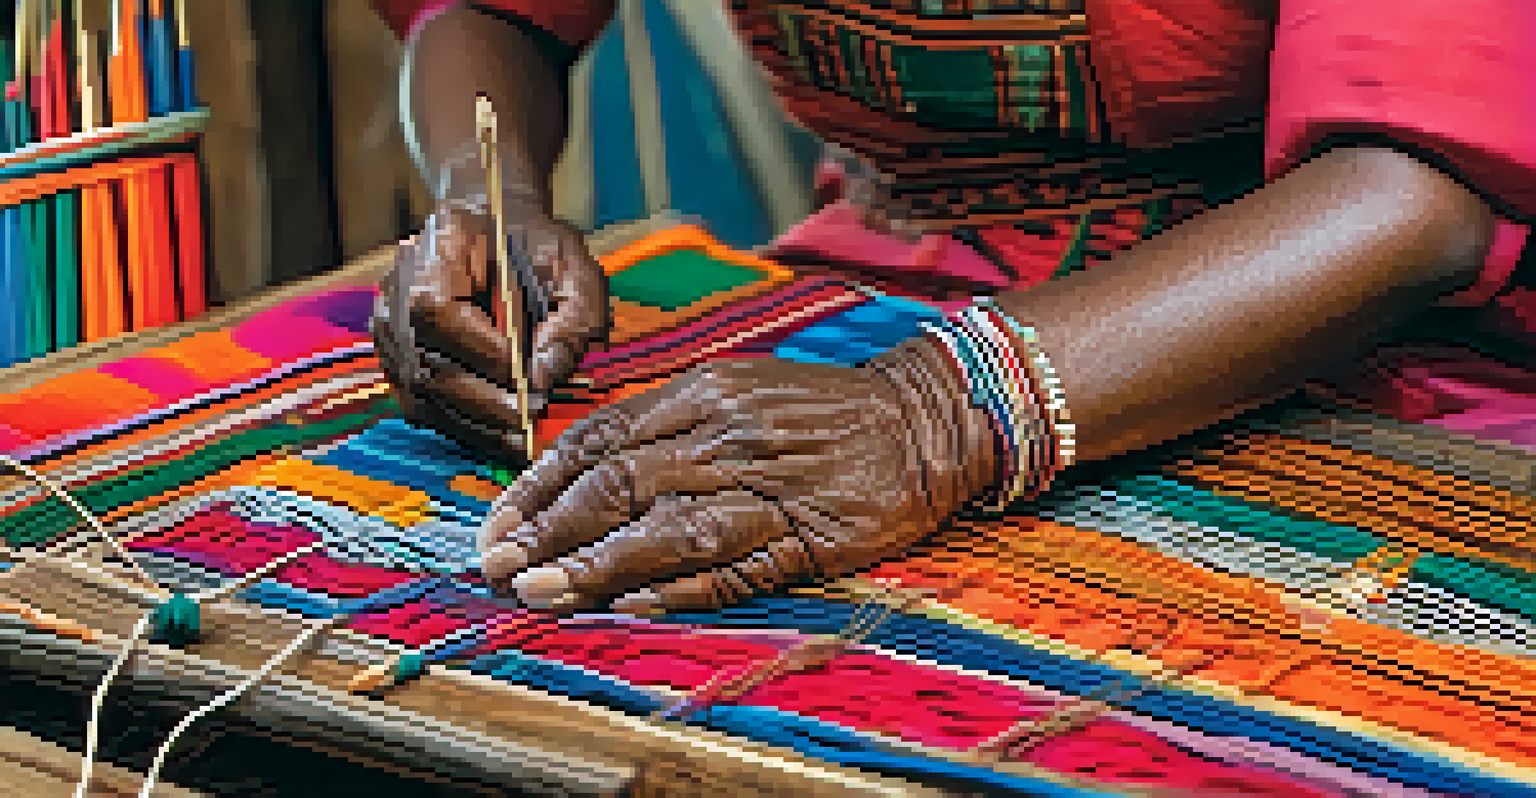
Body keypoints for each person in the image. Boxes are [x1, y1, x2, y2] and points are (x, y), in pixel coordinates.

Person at [367, 0, 1533, 615]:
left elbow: (1415, 198)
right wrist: (492, 191)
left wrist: (935, 416)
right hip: (876, 294)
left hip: (1355, 327)